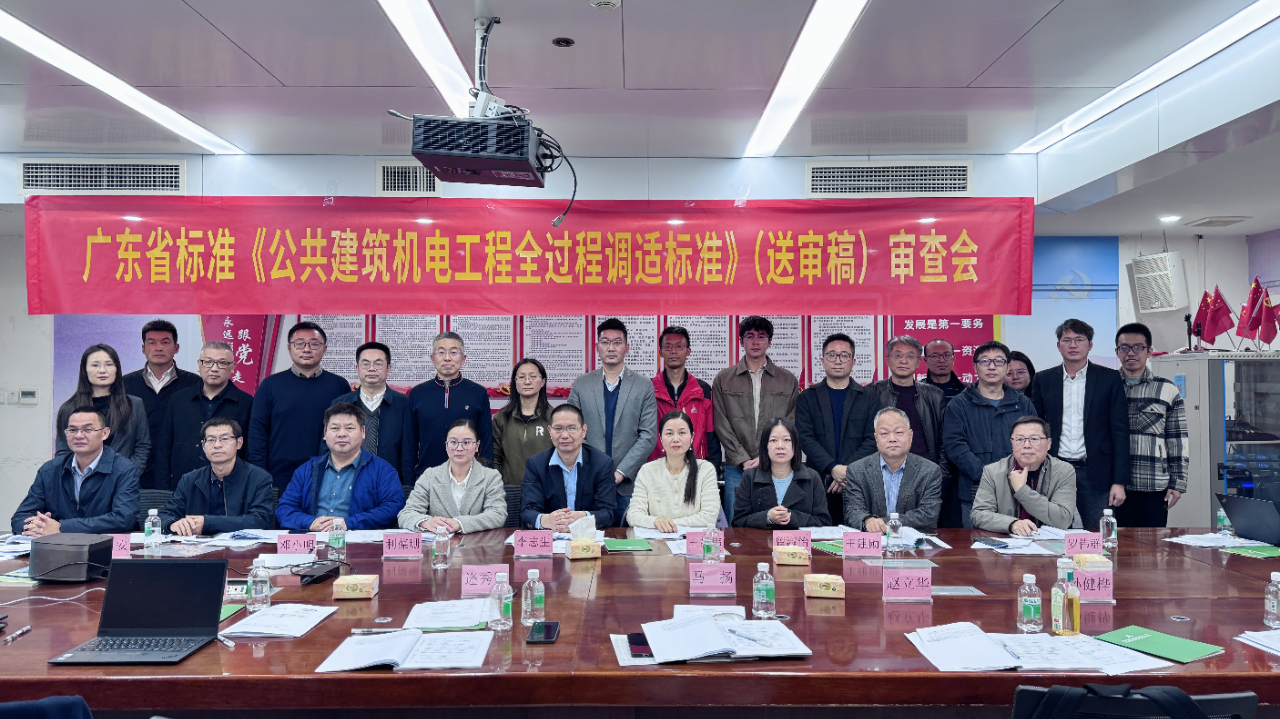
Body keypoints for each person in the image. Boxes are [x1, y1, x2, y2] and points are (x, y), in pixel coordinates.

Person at [1030, 318, 1130, 530]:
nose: (1073, 345)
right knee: (1054, 532)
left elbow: (1120, 431)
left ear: (1090, 344)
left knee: (1098, 533)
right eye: (1067, 340)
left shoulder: (1109, 378)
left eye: (1079, 339)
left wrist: (1119, 481)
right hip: (1056, 470)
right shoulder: (1043, 380)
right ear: (1059, 345)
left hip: (1096, 472)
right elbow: (1036, 429)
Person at [567, 318, 658, 525]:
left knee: (629, 539)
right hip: (589, 480)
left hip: (628, 484)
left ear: (627, 347)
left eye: (617, 342)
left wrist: (620, 473)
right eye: (605, 342)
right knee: (588, 538)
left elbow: (648, 435)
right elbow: (572, 429)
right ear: (597, 347)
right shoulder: (581, 384)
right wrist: (597, 471)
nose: (611, 348)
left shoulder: (643, 385)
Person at [713, 316, 800, 520]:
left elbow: (791, 422)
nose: (755, 342)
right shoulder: (724, 379)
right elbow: (721, 422)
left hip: (776, 466)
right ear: (741, 341)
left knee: (775, 522)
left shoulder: (787, 380)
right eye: (750, 336)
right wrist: (742, 459)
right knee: (736, 523)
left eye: (761, 336)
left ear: (769, 342)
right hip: (737, 468)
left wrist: (766, 455)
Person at [942, 341, 1036, 527]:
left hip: (1017, 489)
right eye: (985, 361)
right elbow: (955, 446)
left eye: (999, 361)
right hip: (976, 491)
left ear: (1007, 367)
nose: (992, 366)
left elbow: (1034, 442)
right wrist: (987, 476)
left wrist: (1016, 474)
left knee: (1020, 541)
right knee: (978, 543)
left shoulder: (1022, 403)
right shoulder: (959, 404)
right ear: (975, 366)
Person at [249, 321, 353, 490]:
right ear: (289, 348)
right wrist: (260, 476)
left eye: (314, 344)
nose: (307, 349)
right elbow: (257, 433)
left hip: (328, 476)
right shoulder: (270, 385)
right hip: (278, 477)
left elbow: (349, 431)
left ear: (324, 349)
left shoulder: (339, 386)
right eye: (299, 344)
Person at [275, 402, 406, 531]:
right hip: (315, 539)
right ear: (325, 433)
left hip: (359, 541)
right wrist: (310, 522)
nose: (342, 434)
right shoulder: (306, 470)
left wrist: (349, 523)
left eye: (349, 428)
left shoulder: (382, 470)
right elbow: (284, 508)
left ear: (363, 432)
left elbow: (393, 508)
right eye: (335, 428)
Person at [12, 407, 139, 536]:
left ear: (104, 433)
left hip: (105, 545)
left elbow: (124, 518)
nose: (78, 436)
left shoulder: (124, 469)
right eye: (72, 430)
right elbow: (20, 517)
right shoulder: (50, 470)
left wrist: (62, 527)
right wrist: (39, 527)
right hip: (58, 546)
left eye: (88, 430)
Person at [795, 332, 878, 525]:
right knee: (818, 537)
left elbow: (873, 439)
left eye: (844, 355)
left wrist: (846, 472)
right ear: (823, 361)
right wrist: (832, 468)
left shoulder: (869, 398)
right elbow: (805, 437)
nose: (838, 360)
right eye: (832, 355)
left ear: (853, 361)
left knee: (858, 535)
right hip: (818, 482)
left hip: (858, 483)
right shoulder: (807, 397)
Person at [1113, 322, 1188, 528]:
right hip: (1114, 486)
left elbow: (1177, 439)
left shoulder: (1166, 389)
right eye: (1124, 348)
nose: (1131, 353)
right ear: (1117, 352)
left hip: (1153, 484)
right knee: (1114, 542)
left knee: (1153, 545)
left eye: (1138, 347)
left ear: (1149, 352)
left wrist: (1178, 482)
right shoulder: (1107, 385)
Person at [152, 342, 253, 491]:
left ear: (233, 367)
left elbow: (251, 451)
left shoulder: (246, 403)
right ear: (199, 365)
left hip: (228, 488)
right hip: (180, 487)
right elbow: (164, 447)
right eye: (208, 362)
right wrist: (162, 490)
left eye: (222, 363)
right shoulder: (178, 400)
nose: (214, 368)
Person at [159, 418, 274, 536]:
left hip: (241, 546)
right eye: (211, 440)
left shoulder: (258, 478)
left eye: (225, 439)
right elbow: (165, 515)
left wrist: (207, 523)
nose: (217, 445)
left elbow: (261, 521)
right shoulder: (189, 480)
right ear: (203, 446)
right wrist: (172, 524)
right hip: (197, 546)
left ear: (239, 443)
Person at [122, 319, 201, 488]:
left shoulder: (194, 384)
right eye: (152, 343)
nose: (158, 348)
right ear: (143, 348)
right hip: (135, 470)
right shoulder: (125, 384)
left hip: (179, 471)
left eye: (165, 342)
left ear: (176, 348)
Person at [971, 416, 1076, 535]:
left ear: (1049, 444)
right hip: (1007, 541)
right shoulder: (993, 471)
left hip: (1050, 541)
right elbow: (979, 514)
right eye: (1019, 439)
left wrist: (1022, 490)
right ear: (1012, 443)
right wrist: (1012, 524)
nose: (1026, 445)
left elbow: (1063, 519)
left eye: (1034, 439)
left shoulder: (1064, 471)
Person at [519, 404, 618, 530]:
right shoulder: (536, 464)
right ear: (550, 431)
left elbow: (608, 512)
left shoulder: (602, 464)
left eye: (572, 428)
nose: (565, 435)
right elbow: (527, 511)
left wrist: (583, 518)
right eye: (558, 429)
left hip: (587, 537)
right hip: (551, 536)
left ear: (584, 431)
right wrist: (547, 521)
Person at [843, 407, 944, 532]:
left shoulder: (930, 471)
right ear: (876, 438)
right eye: (884, 434)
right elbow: (853, 511)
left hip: (912, 540)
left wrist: (879, 523)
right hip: (873, 539)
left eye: (899, 432)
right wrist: (866, 521)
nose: (892, 439)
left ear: (910, 435)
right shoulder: (857, 470)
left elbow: (928, 515)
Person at [399, 419, 506, 533]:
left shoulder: (491, 477)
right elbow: (406, 514)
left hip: (477, 543)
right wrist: (425, 522)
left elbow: (497, 514)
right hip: (439, 543)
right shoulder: (429, 476)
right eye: (453, 442)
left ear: (477, 446)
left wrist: (460, 523)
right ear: (446, 445)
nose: (459, 448)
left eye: (466, 442)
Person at [330, 342, 416, 484]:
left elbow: (409, 451)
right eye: (365, 364)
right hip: (346, 483)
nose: (371, 368)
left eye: (378, 364)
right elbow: (328, 447)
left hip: (390, 484)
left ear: (388, 369)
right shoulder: (340, 404)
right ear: (357, 369)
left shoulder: (405, 404)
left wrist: (408, 487)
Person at [410, 331, 494, 476]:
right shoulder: (417, 394)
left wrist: (484, 478)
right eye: (441, 352)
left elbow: (486, 442)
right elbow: (409, 443)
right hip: (427, 477)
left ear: (463, 358)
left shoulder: (478, 393)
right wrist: (409, 482)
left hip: (469, 477)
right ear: (432, 358)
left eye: (453, 352)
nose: (447, 358)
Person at [55, 344, 150, 472]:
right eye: (95, 365)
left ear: (117, 369)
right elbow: (63, 452)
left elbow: (142, 447)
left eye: (109, 364)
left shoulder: (134, 404)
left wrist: (128, 476)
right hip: (83, 480)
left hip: (124, 480)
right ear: (85, 370)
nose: (102, 370)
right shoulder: (69, 408)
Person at [627, 411, 720, 530]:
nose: (676, 439)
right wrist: (655, 522)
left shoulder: (705, 470)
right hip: (658, 539)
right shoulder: (647, 470)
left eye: (682, 433)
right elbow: (633, 515)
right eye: (669, 433)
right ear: (660, 438)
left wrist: (669, 524)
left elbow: (710, 516)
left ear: (692, 437)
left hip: (693, 540)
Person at [732, 418, 830, 528]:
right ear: (765, 446)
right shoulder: (750, 477)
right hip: (762, 539)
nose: (780, 446)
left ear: (795, 445)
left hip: (798, 539)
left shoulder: (812, 478)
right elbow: (738, 522)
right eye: (773, 440)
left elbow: (823, 522)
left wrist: (791, 517)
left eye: (787, 440)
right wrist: (767, 517)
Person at [649, 326, 721, 472]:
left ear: (688, 351)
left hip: (695, 469)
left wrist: (713, 469)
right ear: (660, 352)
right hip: (657, 470)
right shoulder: (649, 389)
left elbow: (711, 434)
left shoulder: (703, 390)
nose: (673, 351)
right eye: (668, 347)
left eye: (679, 346)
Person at [493, 358, 554, 486]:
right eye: (521, 377)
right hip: (509, 490)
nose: (527, 381)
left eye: (533, 377)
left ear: (543, 382)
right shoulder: (502, 417)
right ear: (515, 382)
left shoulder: (554, 418)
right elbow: (495, 456)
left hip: (545, 490)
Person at [922, 338, 966, 404]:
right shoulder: (917, 392)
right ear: (926, 361)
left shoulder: (967, 392)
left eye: (947, 355)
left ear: (953, 358)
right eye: (935, 356)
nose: (942, 360)